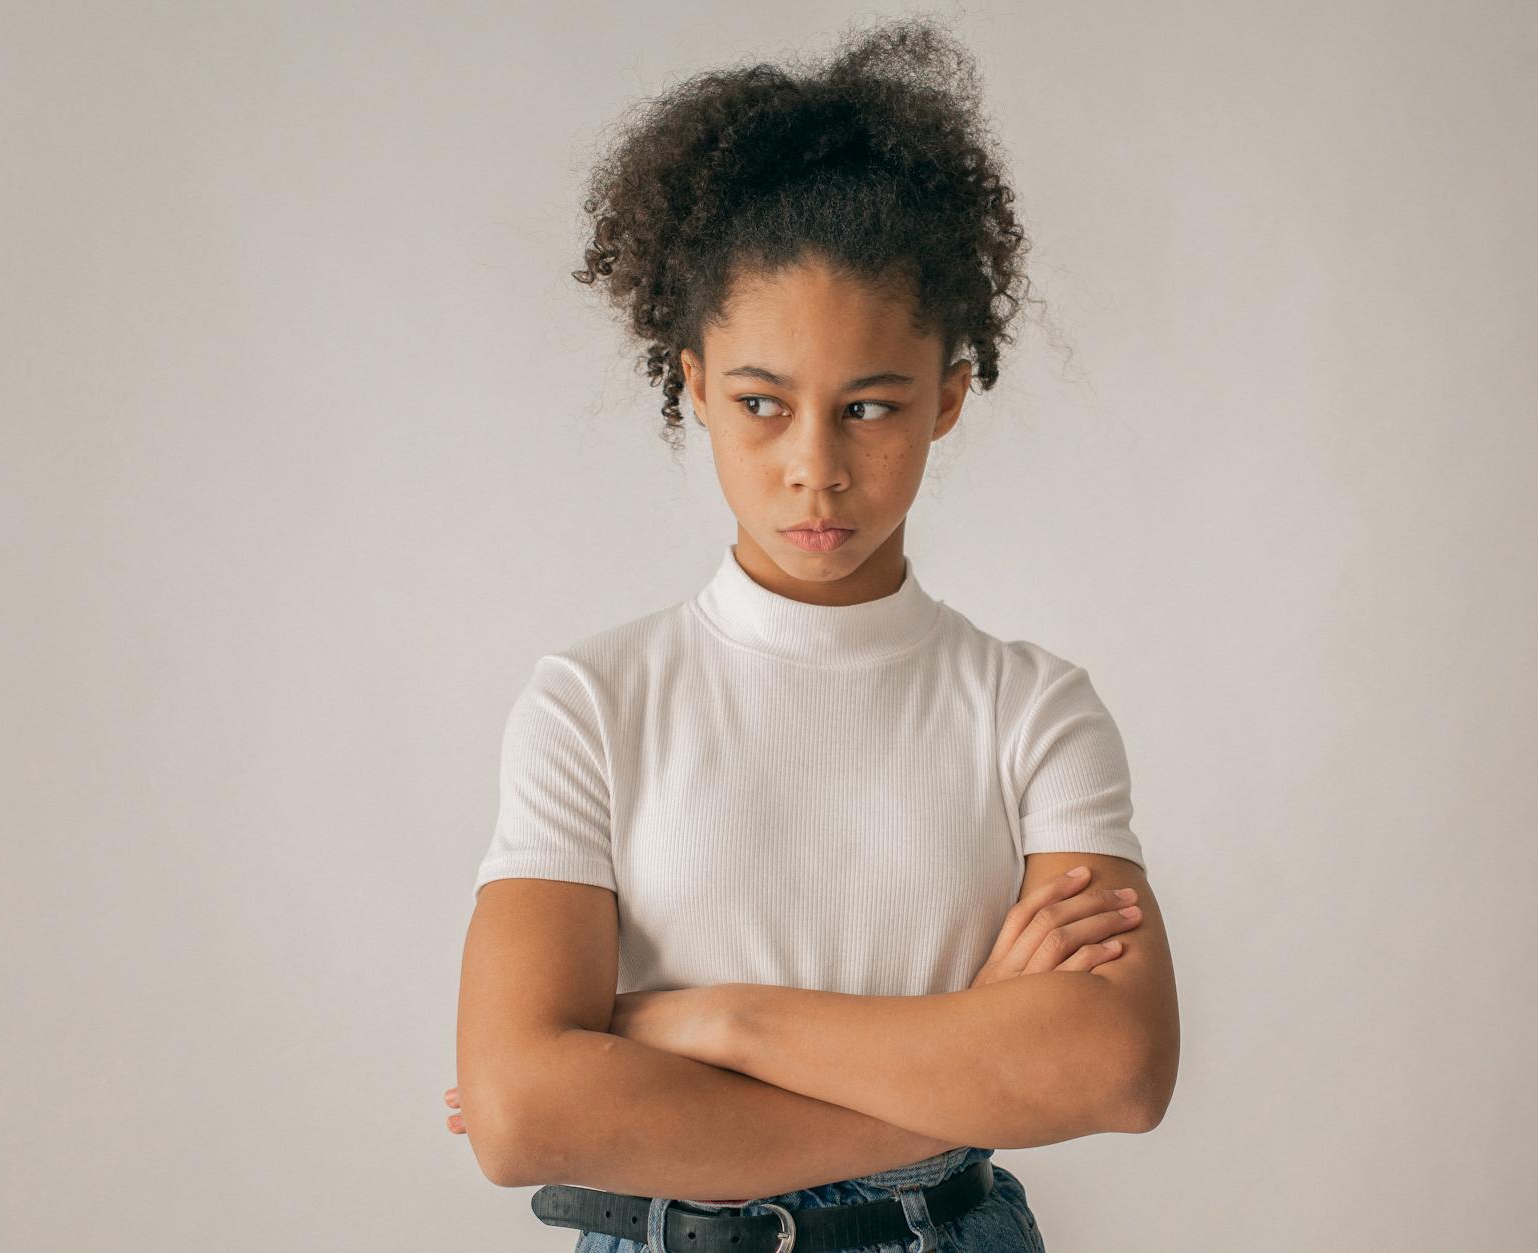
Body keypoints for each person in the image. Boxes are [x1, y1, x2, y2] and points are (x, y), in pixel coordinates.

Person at [448, 16, 1178, 1253]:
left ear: (948, 394)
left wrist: (707, 1022)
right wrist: (958, 1065)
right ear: (691, 384)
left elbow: (1112, 1066)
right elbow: (522, 1111)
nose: (813, 469)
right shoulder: (595, 701)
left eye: (870, 406)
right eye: (760, 405)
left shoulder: (1030, 709)